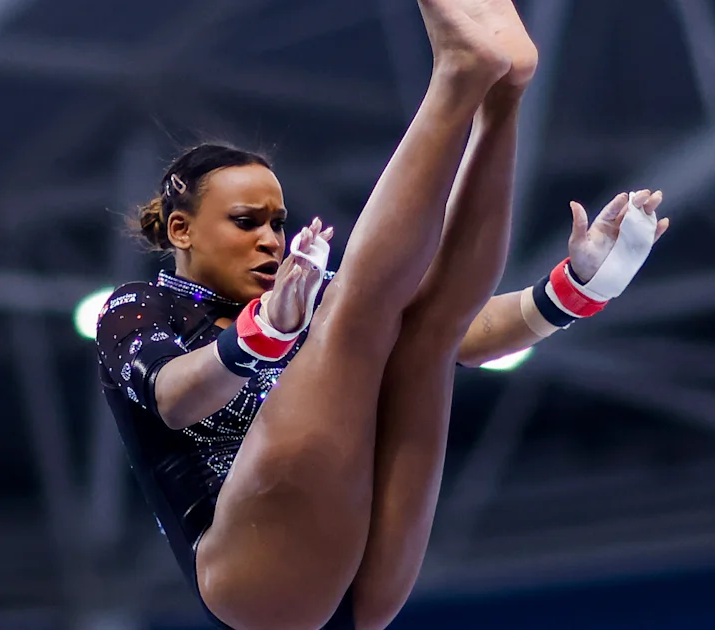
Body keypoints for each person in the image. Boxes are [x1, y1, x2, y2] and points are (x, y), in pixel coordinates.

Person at [95, 1, 668, 629]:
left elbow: (469, 339)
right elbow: (178, 397)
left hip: (361, 580)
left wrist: (579, 286)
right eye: (246, 222)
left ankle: (504, 95)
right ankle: (457, 76)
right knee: (356, 306)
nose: (270, 240)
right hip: (253, 578)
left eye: (278, 223)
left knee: (425, 330)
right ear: (181, 229)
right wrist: (268, 333)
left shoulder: (301, 298)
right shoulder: (137, 309)